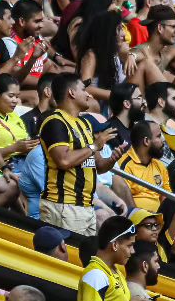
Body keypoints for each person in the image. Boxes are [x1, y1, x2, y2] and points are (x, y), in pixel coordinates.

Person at [39, 75, 121, 237]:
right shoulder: (54, 122)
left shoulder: (85, 124)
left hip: (86, 207)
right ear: (71, 93)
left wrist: (112, 160)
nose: (89, 95)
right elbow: (63, 160)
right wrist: (94, 146)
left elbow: (99, 166)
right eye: (83, 90)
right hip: (63, 205)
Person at [77, 216, 155, 301]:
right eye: (129, 245)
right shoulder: (96, 274)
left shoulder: (115, 271)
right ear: (115, 245)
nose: (133, 251)